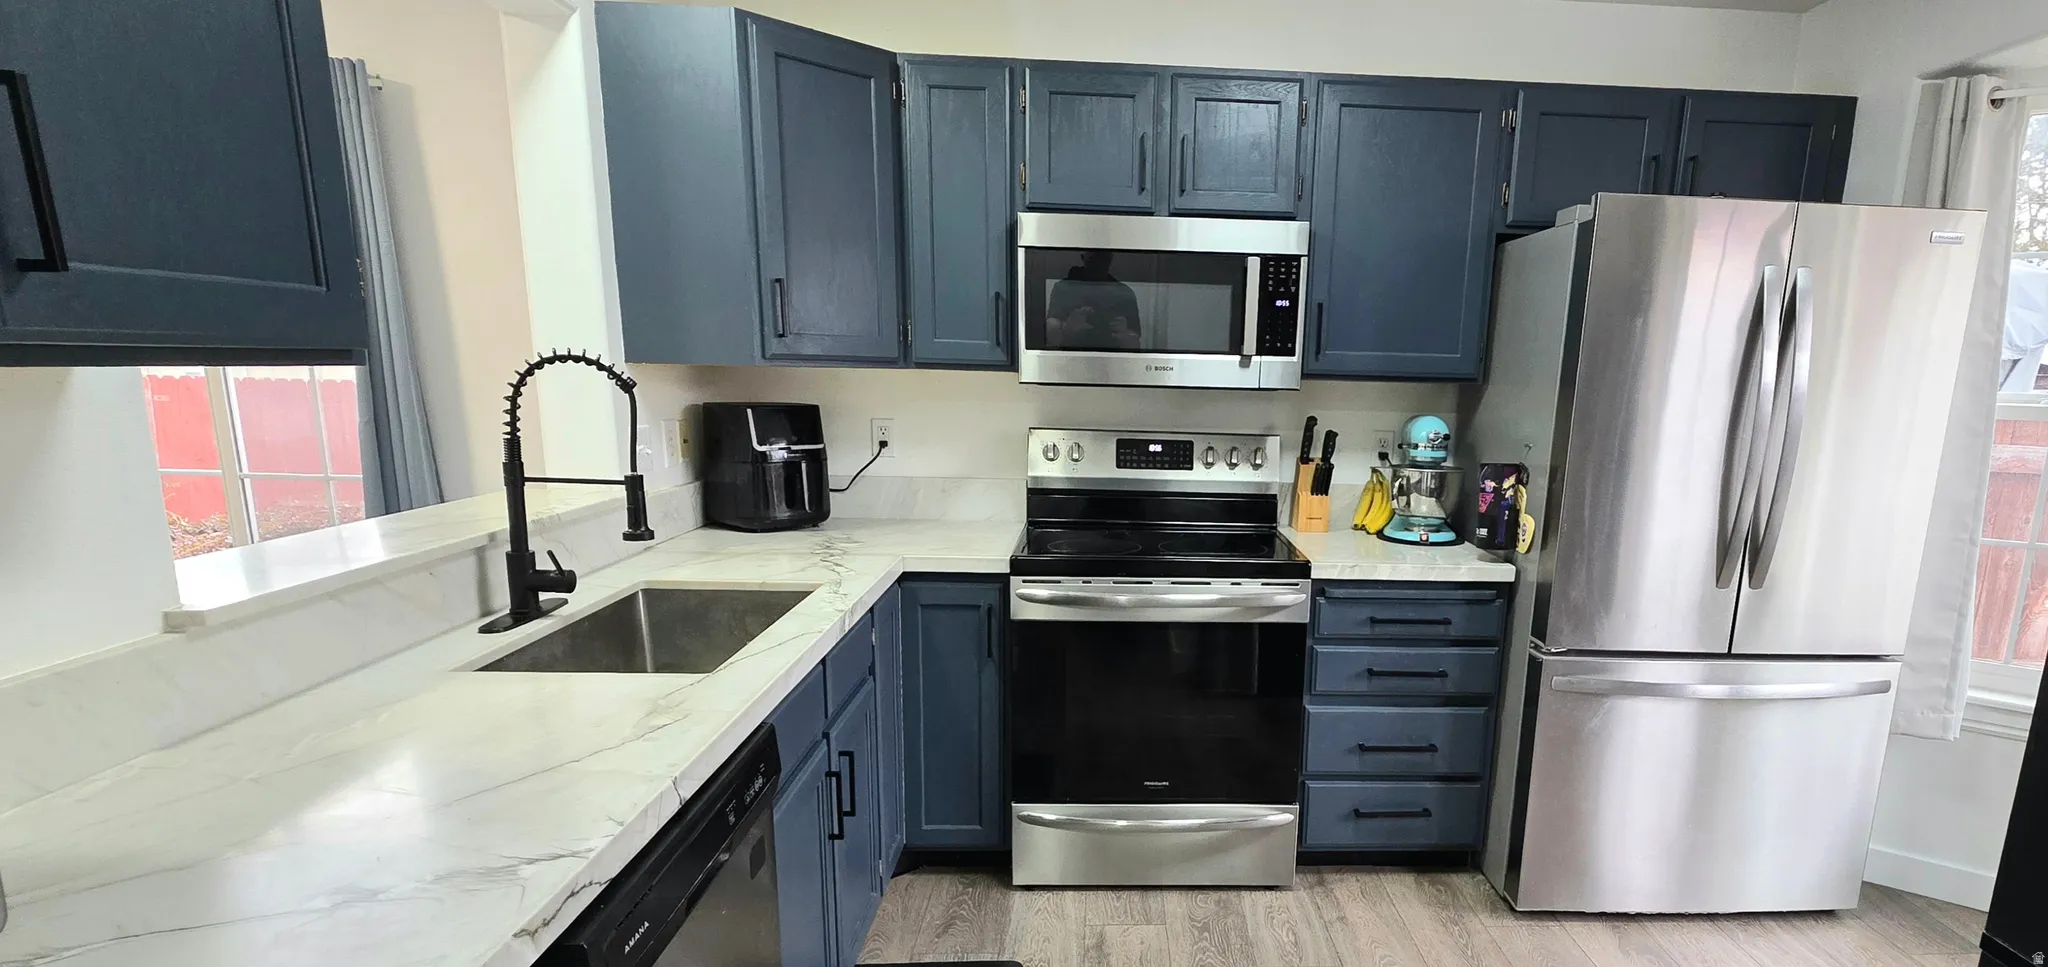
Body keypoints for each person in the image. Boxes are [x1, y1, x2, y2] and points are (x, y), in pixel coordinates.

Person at [1045, 251, 1143, 350]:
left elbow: (1135, 345)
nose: (1098, 265)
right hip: (1069, 357)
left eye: (1103, 260)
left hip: (1113, 359)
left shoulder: (1124, 293)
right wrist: (1067, 327)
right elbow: (1049, 336)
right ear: (1083, 258)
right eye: (1093, 259)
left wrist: (1124, 335)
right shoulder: (1063, 288)